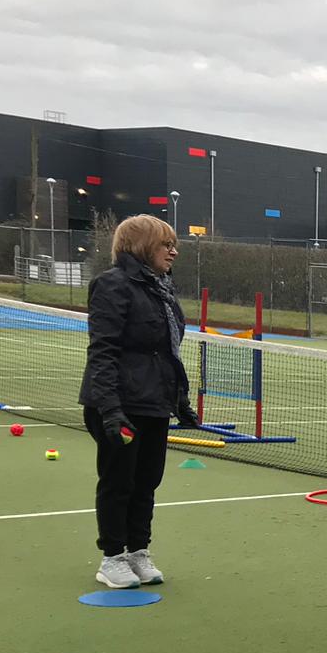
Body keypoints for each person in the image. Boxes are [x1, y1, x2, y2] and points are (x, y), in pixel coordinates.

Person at [79, 214, 201, 589]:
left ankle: (138, 551)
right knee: (119, 480)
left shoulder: (161, 288)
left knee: (147, 480)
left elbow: (166, 351)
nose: (173, 252)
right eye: (166, 245)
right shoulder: (112, 285)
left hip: (153, 403)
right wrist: (111, 410)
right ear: (143, 247)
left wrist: (178, 401)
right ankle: (112, 557)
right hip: (118, 403)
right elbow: (103, 352)